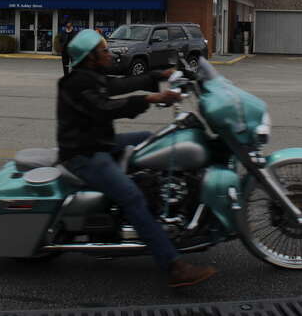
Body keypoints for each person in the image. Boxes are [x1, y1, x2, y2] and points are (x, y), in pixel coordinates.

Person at [57, 29, 217, 288]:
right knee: (132, 196)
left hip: (101, 144)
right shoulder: (75, 84)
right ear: (90, 58)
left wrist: (159, 75)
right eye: (104, 50)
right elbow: (106, 108)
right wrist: (151, 98)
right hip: (84, 153)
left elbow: (120, 85)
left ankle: (168, 200)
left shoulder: (91, 76)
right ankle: (174, 266)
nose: (109, 53)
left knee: (150, 139)